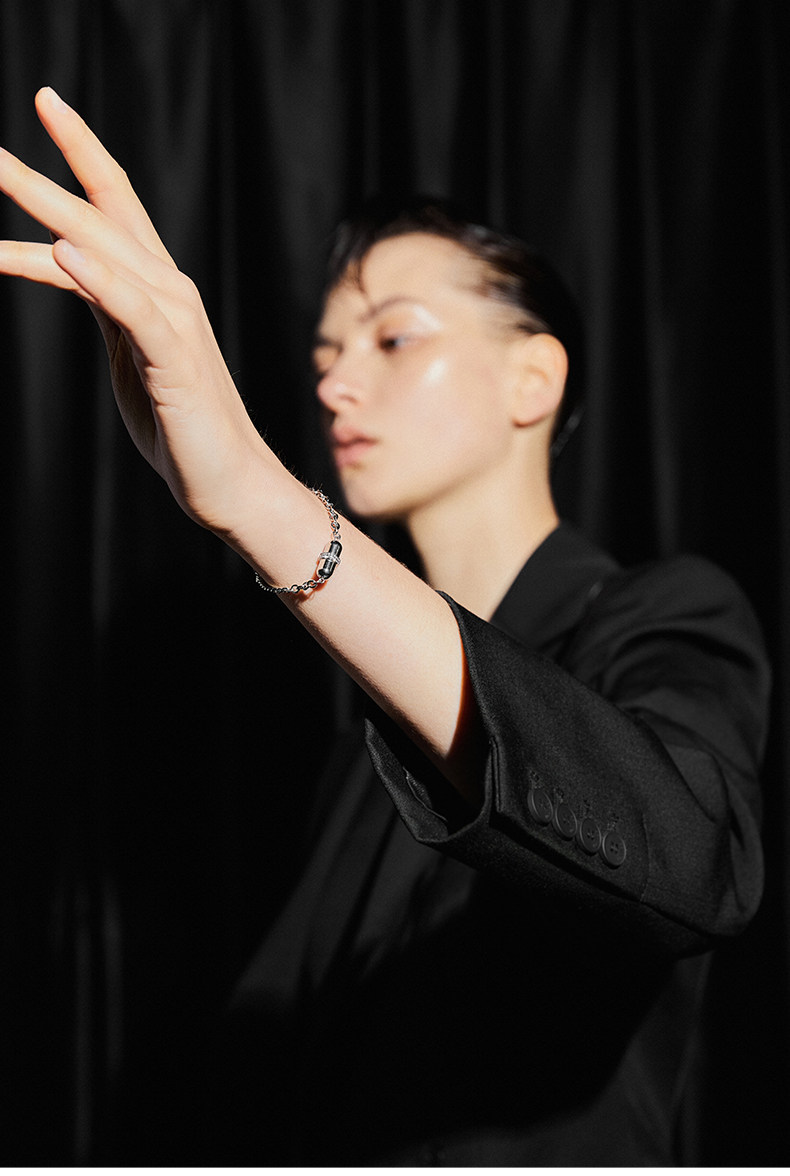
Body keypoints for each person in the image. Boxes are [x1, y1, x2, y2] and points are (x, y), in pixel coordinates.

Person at [0, 88, 770, 1165]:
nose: (335, 383)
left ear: (533, 378)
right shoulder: (366, 744)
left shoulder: (661, 612)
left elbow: (692, 868)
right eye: (324, 354)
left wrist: (265, 502)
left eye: (393, 337)